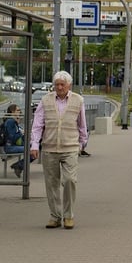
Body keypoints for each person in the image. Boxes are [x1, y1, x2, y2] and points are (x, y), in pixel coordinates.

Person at [30, 71, 88, 230]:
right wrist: (34, 145)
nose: (59, 87)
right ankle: (55, 216)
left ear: (69, 85)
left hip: (70, 147)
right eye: (57, 84)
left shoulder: (78, 100)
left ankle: (68, 215)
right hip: (49, 147)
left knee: (70, 180)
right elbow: (37, 124)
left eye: (62, 84)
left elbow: (82, 124)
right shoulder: (45, 100)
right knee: (51, 184)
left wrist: (83, 143)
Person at [2, 104, 29, 178]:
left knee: (34, 147)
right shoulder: (10, 122)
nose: (19, 112)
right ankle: (18, 165)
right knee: (31, 150)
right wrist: (21, 133)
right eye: (18, 110)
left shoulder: (13, 121)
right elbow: (12, 138)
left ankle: (19, 165)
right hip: (10, 147)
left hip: (14, 145)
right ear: (12, 112)